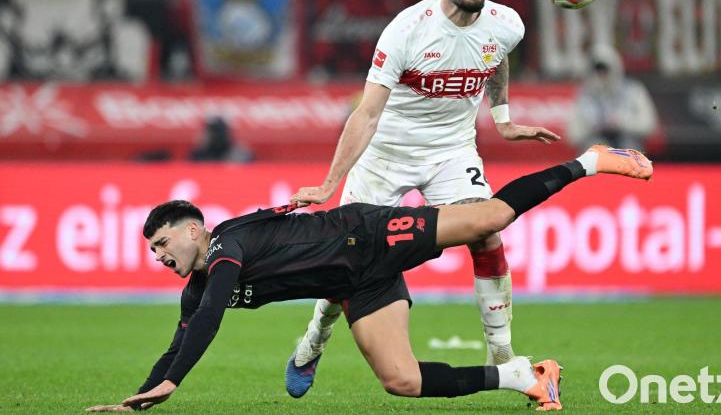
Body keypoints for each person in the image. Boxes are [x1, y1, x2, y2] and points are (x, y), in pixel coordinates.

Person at [84, 145, 654, 413]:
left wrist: (173, 384)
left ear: (191, 232)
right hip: (361, 286)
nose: (158, 255)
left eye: (162, 243)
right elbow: (181, 337)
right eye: (153, 249)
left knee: (490, 220)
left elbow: (208, 320)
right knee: (401, 382)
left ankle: (589, 161)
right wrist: (140, 399)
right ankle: (528, 378)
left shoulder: (225, 248)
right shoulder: (198, 284)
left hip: (368, 234)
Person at [286, 0, 562, 396]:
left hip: (451, 151)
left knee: (487, 232)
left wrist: (503, 118)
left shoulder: (508, 23)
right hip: (387, 153)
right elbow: (368, 113)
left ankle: (504, 354)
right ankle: (314, 339)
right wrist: (327, 184)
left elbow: (495, 56)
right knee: (346, 261)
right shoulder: (407, 30)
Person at [567, 44, 659, 153]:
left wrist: (621, 122)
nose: (601, 75)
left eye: (605, 70)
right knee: (595, 146)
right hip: (597, 146)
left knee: (628, 145)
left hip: (627, 143)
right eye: (597, 70)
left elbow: (650, 126)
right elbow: (572, 135)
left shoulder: (633, 91)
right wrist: (593, 126)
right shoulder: (584, 96)